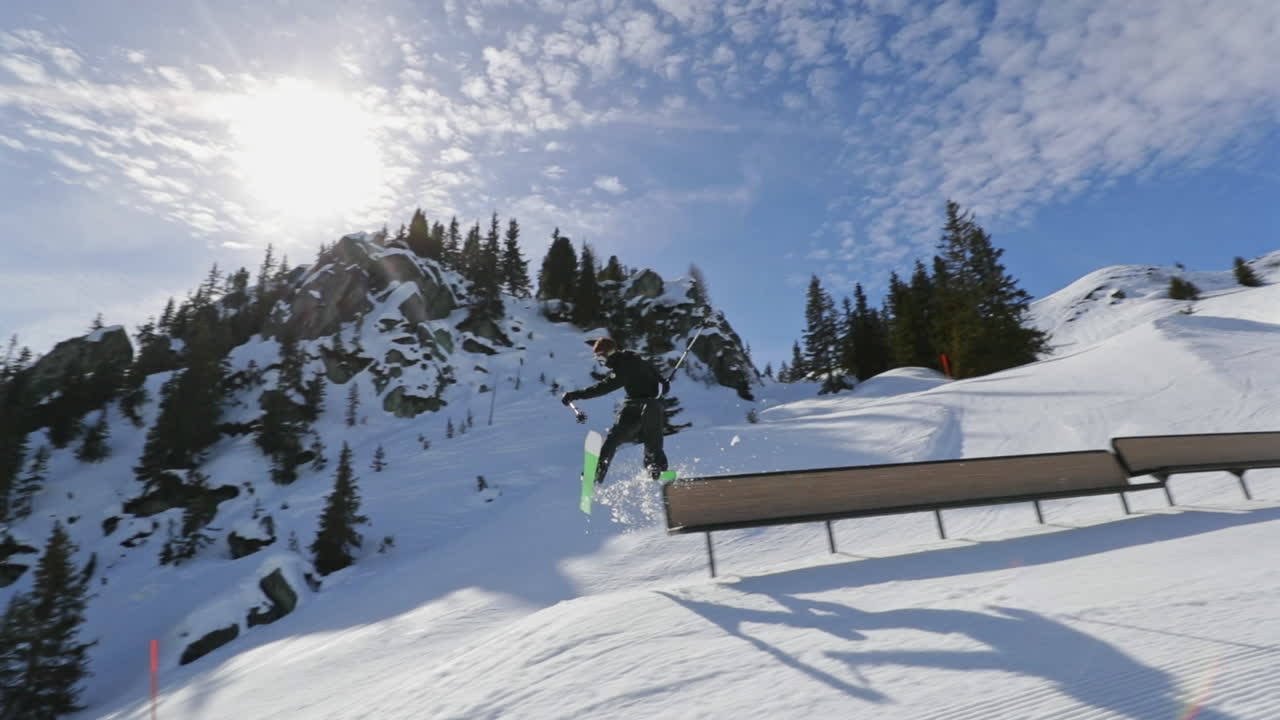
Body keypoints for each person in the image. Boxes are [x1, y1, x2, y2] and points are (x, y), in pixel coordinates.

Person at [561, 337, 670, 484]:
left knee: (651, 427)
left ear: (609, 353)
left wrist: (575, 395)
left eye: (601, 357)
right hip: (632, 402)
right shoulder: (626, 360)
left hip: (651, 402)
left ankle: (656, 464)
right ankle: (597, 471)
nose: (601, 362)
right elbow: (651, 371)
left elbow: (602, 388)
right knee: (615, 436)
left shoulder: (625, 365)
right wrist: (663, 383)